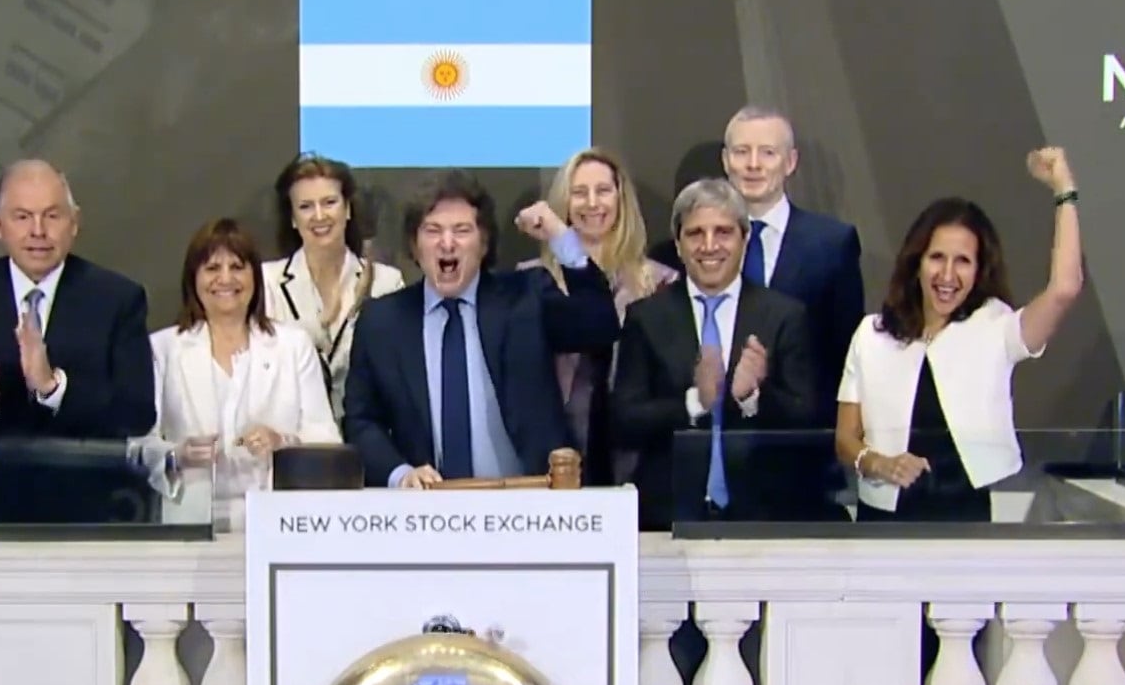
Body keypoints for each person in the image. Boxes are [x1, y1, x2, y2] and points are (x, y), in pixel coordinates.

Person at [835, 148, 1083, 522]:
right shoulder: (871, 335)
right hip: (882, 518)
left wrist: (1064, 190)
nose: (947, 275)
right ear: (916, 261)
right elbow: (845, 439)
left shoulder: (996, 326)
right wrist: (879, 464)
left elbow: (1065, 288)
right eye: (937, 257)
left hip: (962, 515)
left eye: (963, 261)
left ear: (980, 270)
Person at [343, 169, 621, 488]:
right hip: (425, 513)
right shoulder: (382, 321)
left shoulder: (525, 298)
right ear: (414, 245)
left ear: (484, 242)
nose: (447, 243)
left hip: (529, 507)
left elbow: (600, 325)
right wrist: (400, 474)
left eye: (462, 230)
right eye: (433, 231)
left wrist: (562, 238)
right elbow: (361, 421)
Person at [0, 159, 155, 523]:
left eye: (52, 216)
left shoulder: (117, 300)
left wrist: (54, 388)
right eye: (22, 217)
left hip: (89, 514)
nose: (38, 231)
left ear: (74, 222)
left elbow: (137, 413)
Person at [612, 179, 818, 530]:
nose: (709, 246)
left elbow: (807, 416)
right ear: (678, 244)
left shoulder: (783, 315)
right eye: (695, 234)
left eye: (723, 232)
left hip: (763, 516)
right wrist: (695, 402)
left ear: (745, 238)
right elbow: (624, 419)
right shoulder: (647, 317)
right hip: (669, 518)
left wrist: (753, 396)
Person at [133, 218, 339, 531]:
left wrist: (281, 441)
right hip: (189, 524)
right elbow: (138, 445)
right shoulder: (163, 349)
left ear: (255, 277)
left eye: (237, 267)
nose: (225, 279)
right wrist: (179, 455)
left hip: (278, 525)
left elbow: (326, 442)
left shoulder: (293, 346)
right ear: (194, 279)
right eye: (213, 268)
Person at [517, 147, 677, 485]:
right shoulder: (531, 281)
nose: (592, 203)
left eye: (603, 191)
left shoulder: (661, 283)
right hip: (556, 459)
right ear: (563, 203)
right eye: (579, 192)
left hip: (638, 461)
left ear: (621, 199)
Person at [263, 153, 404, 420]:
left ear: (347, 209)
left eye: (329, 202)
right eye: (305, 206)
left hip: (365, 445)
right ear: (292, 218)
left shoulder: (387, 283)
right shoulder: (267, 283)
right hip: (291, 445)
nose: (319, 215)